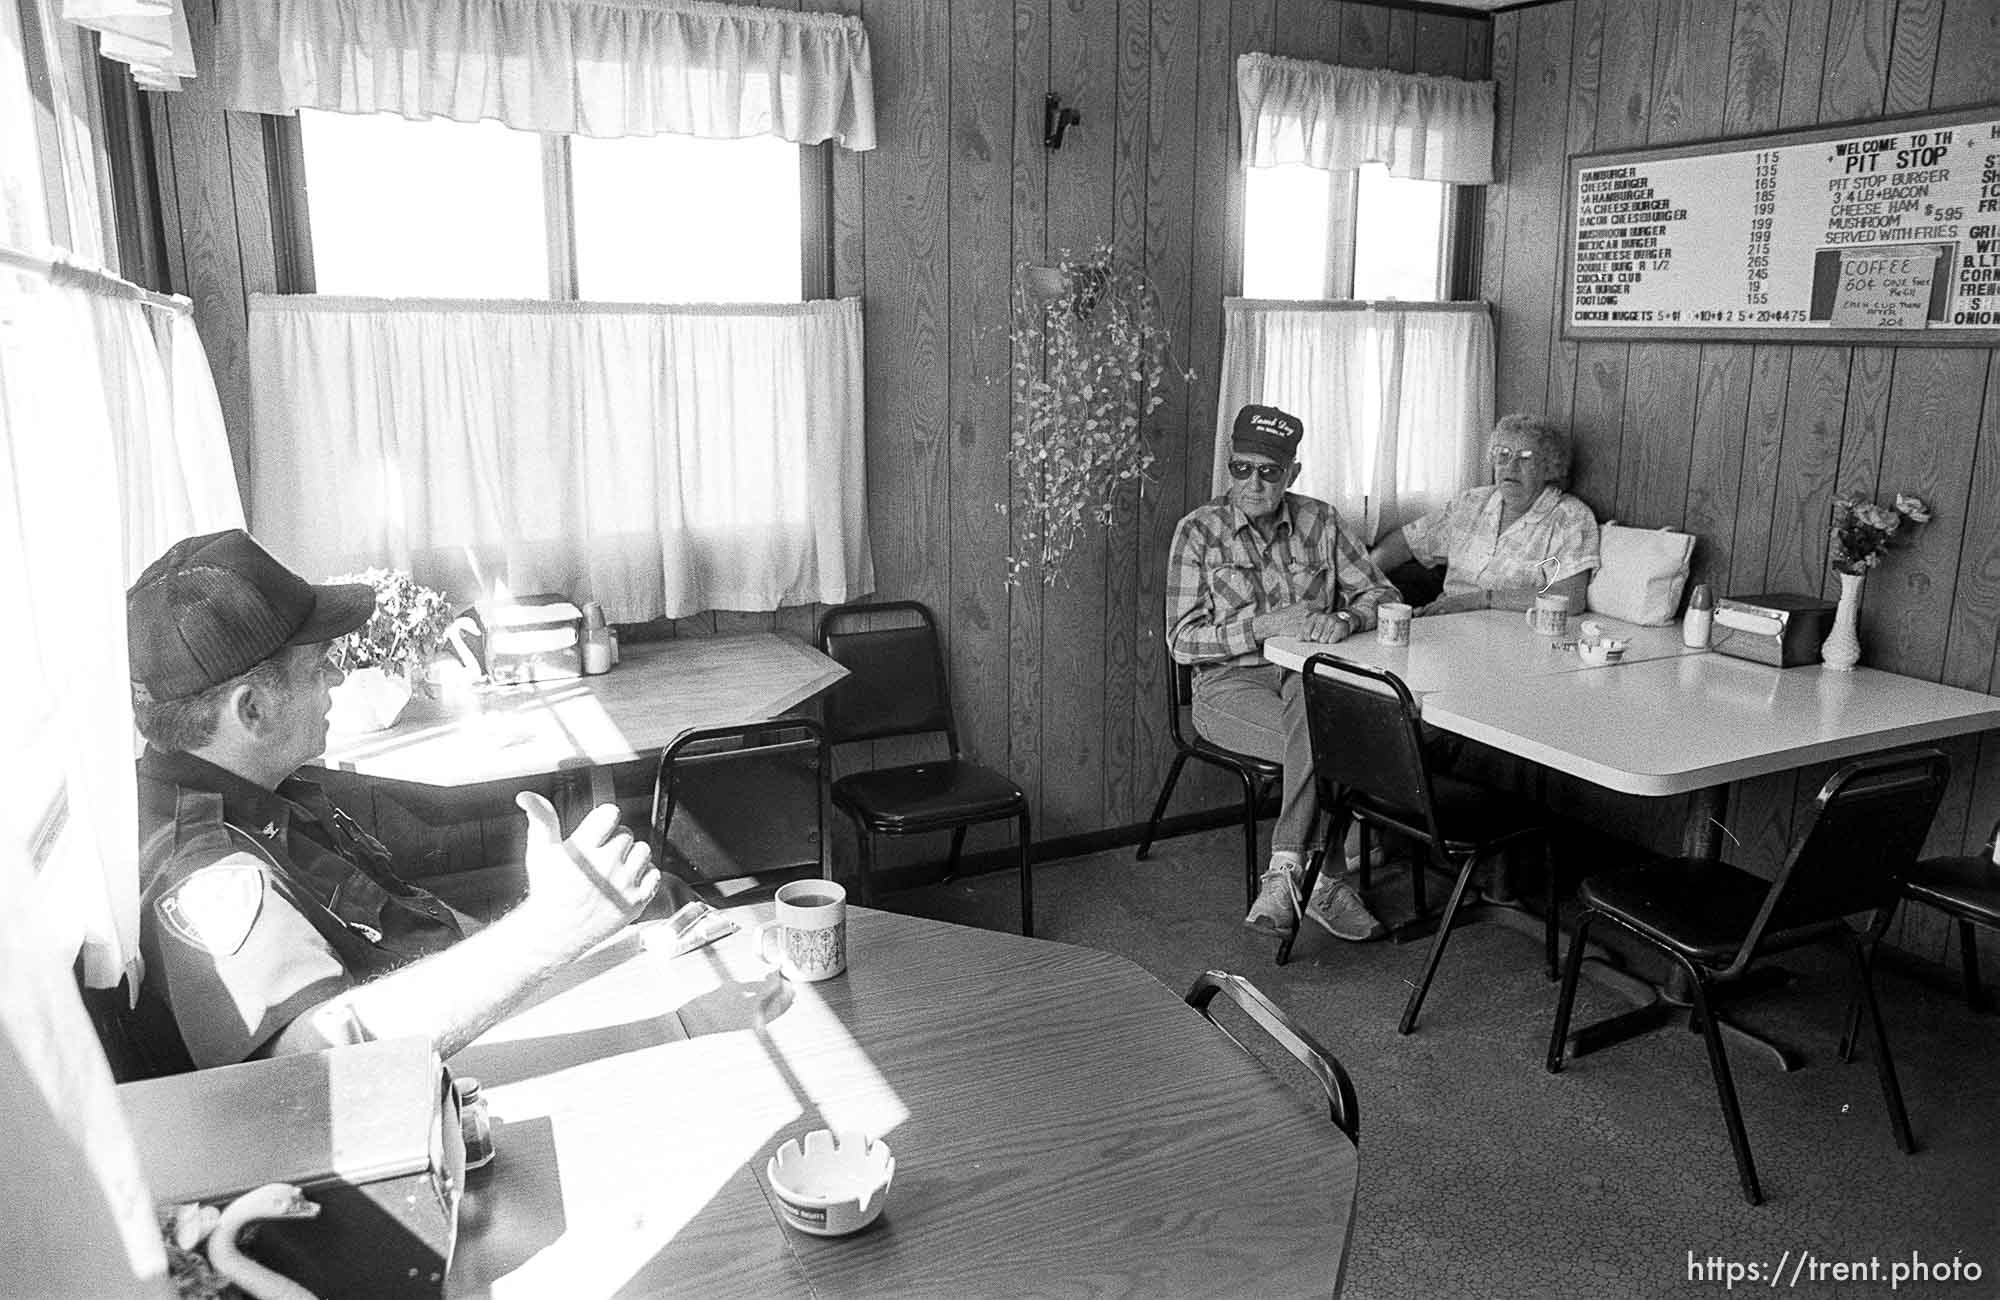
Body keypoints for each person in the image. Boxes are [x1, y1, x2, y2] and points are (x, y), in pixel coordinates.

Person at [125, 529, 664, 1073]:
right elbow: (309, 1061)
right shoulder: (202, 867)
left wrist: (561, 934)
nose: (336, 676)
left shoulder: (268, 792)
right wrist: (548, 930)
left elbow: (410, 924)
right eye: (317, 667)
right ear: (252, 711)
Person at [1166, 404, 1398, 941]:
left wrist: (1345, 617)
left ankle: (1289, 871)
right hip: (1227, 685)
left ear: (1291, 473)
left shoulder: (1322, 519)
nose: (1253, 483)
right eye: (1242, 468)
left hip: (1306, 678)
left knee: (1324, 723)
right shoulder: (1198, 532)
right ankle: (1325, 881)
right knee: (1336, 744)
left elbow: (1383, 595)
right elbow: (1181, 642)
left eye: (1269, 472)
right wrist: (1266, 626)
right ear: (1229, 466)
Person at [1369, 414, 1599, 616]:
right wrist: (1360, 582)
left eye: (1525, 457)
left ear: (1551, 468)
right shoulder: (1471, 503)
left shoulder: (1570, 518)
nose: (1511, 466)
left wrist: (1483, 600)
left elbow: (1570, 597)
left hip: (1515, 636)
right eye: (1503, 455)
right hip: (1447, 622)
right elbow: (1404, 543)